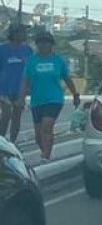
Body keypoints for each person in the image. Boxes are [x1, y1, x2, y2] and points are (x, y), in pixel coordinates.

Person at [20, 30, 80, 162]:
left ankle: (45, 156)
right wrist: (21, 99)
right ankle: (46, 150)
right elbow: (25, 81)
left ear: (51, 44)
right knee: (38, 135)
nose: (44, 45)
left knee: (47, 126)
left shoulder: (58, 60)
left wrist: (75, 94)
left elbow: (67, 78)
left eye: (46, 42)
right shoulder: (31, 61)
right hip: (37, 100)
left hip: (54, 99)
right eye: (41, 42)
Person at [0, 24, 33, 142]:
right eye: (19, 32)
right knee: (6, 115)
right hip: (4, 88)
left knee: (17, 116)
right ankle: (2, 141)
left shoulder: (27, 50)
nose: (21, 35)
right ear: (12, 34)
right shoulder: (2, 49)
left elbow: (30, 69)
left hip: (20, 88)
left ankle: (13, 142)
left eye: (23, 32)